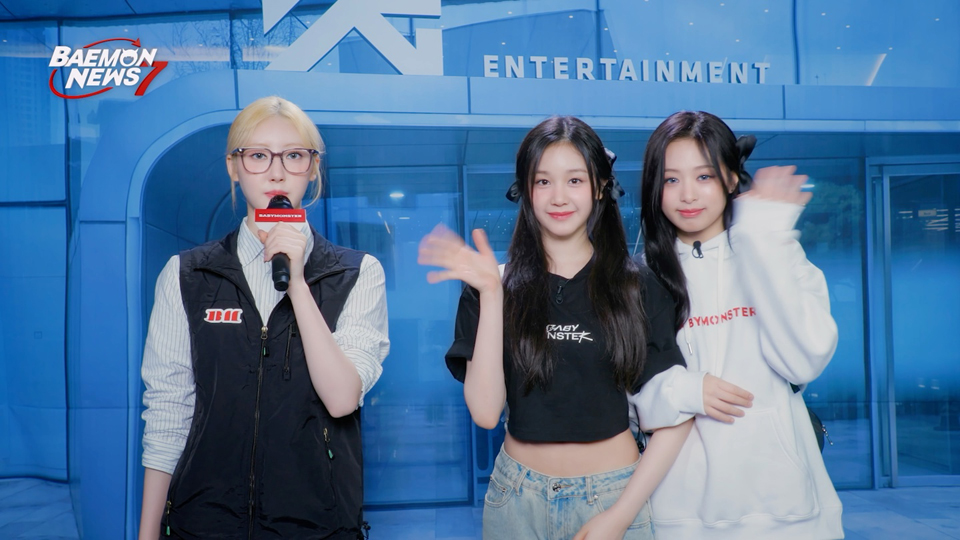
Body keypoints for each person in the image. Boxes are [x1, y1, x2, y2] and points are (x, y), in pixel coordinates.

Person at [419, 116, 693, 540]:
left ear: (600, 187)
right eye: (543, 181)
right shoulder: (491, 285)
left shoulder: (639, 285)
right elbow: (486, 413)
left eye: (575, 180)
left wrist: (620, 515)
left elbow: (674, 417)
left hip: (612, 495)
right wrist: (491, 294)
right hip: (516, 499)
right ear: (526, 190)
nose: (558, 197)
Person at [139, 96, 389, 539]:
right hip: (206, 524)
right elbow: (168, 410)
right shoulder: (187, 274)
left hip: (317, 526)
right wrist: (147, 533)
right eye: (258, 156)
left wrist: (297, 283)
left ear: (313, 168)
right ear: (234, 167)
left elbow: (341, 399)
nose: (276, 173)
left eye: (293, 156)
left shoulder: (357, 273)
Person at [630, 110, 843, 539]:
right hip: (680, 516)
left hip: (787, 512)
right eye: (671, 179)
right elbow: (627, 396)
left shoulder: (773, 249)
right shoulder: (640, 277)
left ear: (731, 178)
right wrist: (688, 390)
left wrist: (761, 242)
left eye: (704, 176)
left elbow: (805, 361)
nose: (687, 194)